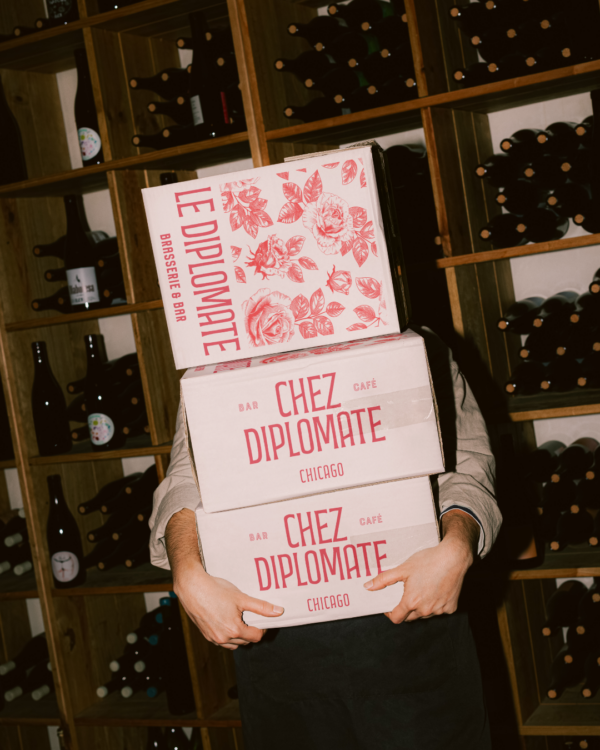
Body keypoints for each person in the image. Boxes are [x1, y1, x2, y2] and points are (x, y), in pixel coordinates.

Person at [149, 326, 502, 750]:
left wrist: (458, 542)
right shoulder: (220, 368)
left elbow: (467, 465)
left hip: (410, 634)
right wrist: (186, 569)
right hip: (281, 646)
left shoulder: (414, 344)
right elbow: (186, 479)